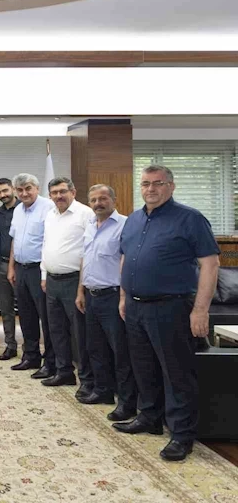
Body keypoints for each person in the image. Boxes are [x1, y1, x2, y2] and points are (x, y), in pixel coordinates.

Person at [115, 165, 219, 462]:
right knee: (143, 367)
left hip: (171, 307)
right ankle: (149, 417)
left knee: (176, 373)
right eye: (146, 183)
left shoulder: (190, 218)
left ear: (171, 186)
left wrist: (200, 310)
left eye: (158, 183)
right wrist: (123, 296)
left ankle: (182, 435)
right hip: (135, 306)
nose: (151, 189)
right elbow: (126, 258)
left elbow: (210, 264)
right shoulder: (133, 219)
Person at [75, 184, 137, 422]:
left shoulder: (125, 225)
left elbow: (127, 263)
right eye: (93, 200)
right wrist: (80, 291)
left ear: (114, 199)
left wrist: (123, 297)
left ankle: (127, 403)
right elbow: (85, 259)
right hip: (91, 295)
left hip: (113, 296)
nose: (97, 203)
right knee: (95, 348)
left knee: (120, 352)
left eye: (102, 199)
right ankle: (103, 391)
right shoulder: (90, 225)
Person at [40, 177, 95, 399]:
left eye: (62, 191)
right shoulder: (50, 215)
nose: (58, 196)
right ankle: (64, 372)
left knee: (80, 334)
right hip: (52, 280)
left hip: (75, 281)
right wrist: (44, 275)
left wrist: (82, 287)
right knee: (56, 329)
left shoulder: (85, 214)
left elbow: (90, 251)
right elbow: (46, 245)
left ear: (73, 191)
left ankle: (87, 379)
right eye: (54, 193)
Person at [7, 173, 55, 378]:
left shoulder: (49, 208)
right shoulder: (18, 209)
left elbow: (51, 242)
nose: (24, 193)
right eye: (20, 190)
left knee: (47, 318)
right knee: (26, 316)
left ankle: (51, 362)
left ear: (36, 188)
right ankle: (31, 356)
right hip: (21, 269)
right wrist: (11, 268)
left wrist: (44, 274)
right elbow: (15, 240)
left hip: (39, 270)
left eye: (28, 188)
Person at [0, 178, 20, 360]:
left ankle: (31, 348)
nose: (2, 195)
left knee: (27, 309)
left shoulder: (24, 209)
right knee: (6, 309)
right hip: (1, 265)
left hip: (22, 266)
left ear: (13, 189)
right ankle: (10, 345)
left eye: (5, 191)